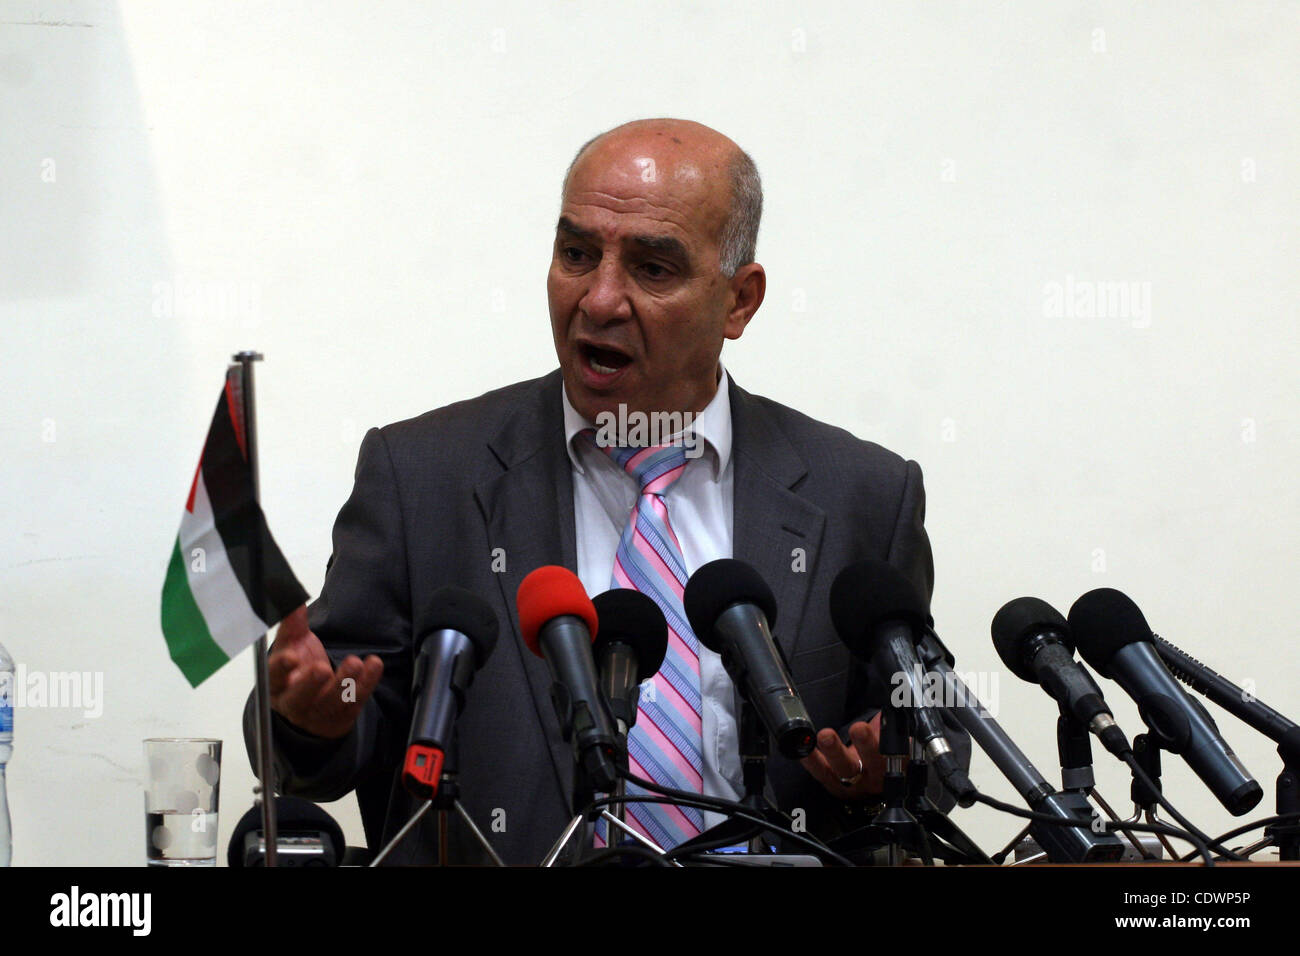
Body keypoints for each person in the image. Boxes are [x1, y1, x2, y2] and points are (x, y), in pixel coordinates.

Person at [243, 118, 970, 864]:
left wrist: (897, 764)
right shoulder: (422, 474)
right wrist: (316, 718)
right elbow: (334, 726)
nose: (598, 299)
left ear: (738, 302)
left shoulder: (865, 494)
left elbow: (929, 736)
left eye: (653, 269)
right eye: (576, 254)